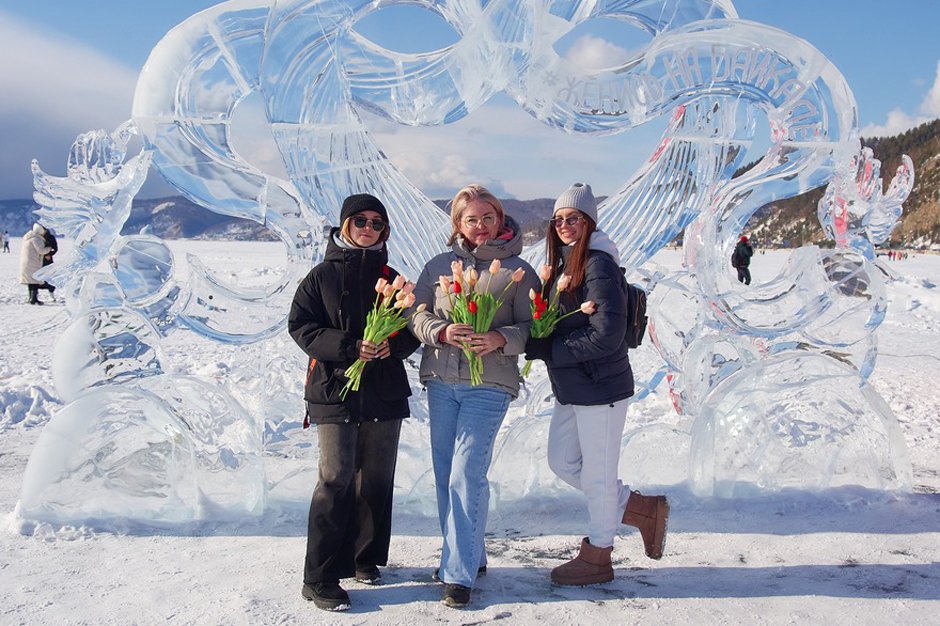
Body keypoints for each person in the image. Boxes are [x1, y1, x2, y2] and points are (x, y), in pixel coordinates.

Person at [524, 183, 669, 586]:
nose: (565, 225)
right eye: (559, 219)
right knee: (563, 461)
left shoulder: (598, 263)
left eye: (574, 218)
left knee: (599, 477)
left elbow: (607, 333)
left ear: (589, 222)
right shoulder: (569, 262)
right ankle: (639, 509)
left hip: (600, 388)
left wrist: (551, 350)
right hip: (574, 387)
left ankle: (598, 556)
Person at [288, 193, 420, 613]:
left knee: (377, 477)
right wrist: (348, 346)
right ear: (344, 225)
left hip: (383, 388)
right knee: (336, 477)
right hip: (333, 388)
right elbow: (301, 326)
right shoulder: (320, 277)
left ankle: (364, 558)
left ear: (386, 231)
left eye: (377, 223)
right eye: (360, 221)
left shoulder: (393, 277)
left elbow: (410, 329)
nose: (368, 228)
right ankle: (320, 576)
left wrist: (391, 347)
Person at [409, 184, 539, 608]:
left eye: (488, 218)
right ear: (457, 225)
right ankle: (469, 554)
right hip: (442, 381)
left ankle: (458, 575)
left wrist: (500, 337)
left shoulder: (518, 270)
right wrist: (441, 331)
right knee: (448, 474)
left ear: (501, 220)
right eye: (471, 219)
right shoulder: (438, 267)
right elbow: (416, 314)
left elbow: (533, 327)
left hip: (490, 383)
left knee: (467, 472)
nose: (481, 226)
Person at [19, 224, 52, 305]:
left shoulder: (28, 238)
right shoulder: (36, 239)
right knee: (34, 281)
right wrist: (49, 248)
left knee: (31, 281)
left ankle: (31, 298)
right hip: (33, 262)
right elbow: (41, 251)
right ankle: (33, 299)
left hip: (27, 262)